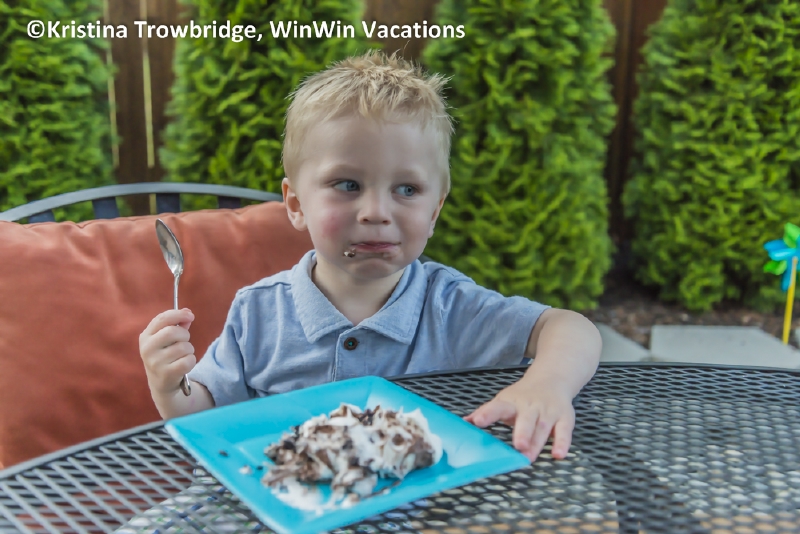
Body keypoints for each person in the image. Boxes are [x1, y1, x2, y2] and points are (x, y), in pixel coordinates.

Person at [139, 50, 602, 462]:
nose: (377, 212)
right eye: (348, 184)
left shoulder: (451, 308)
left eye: (407, 189)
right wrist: (170, 387)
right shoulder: (258, 312)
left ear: (434, 210)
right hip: (267, 504)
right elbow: (204, 416)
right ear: (296, 204)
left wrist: (547, 385)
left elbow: (569, 328)